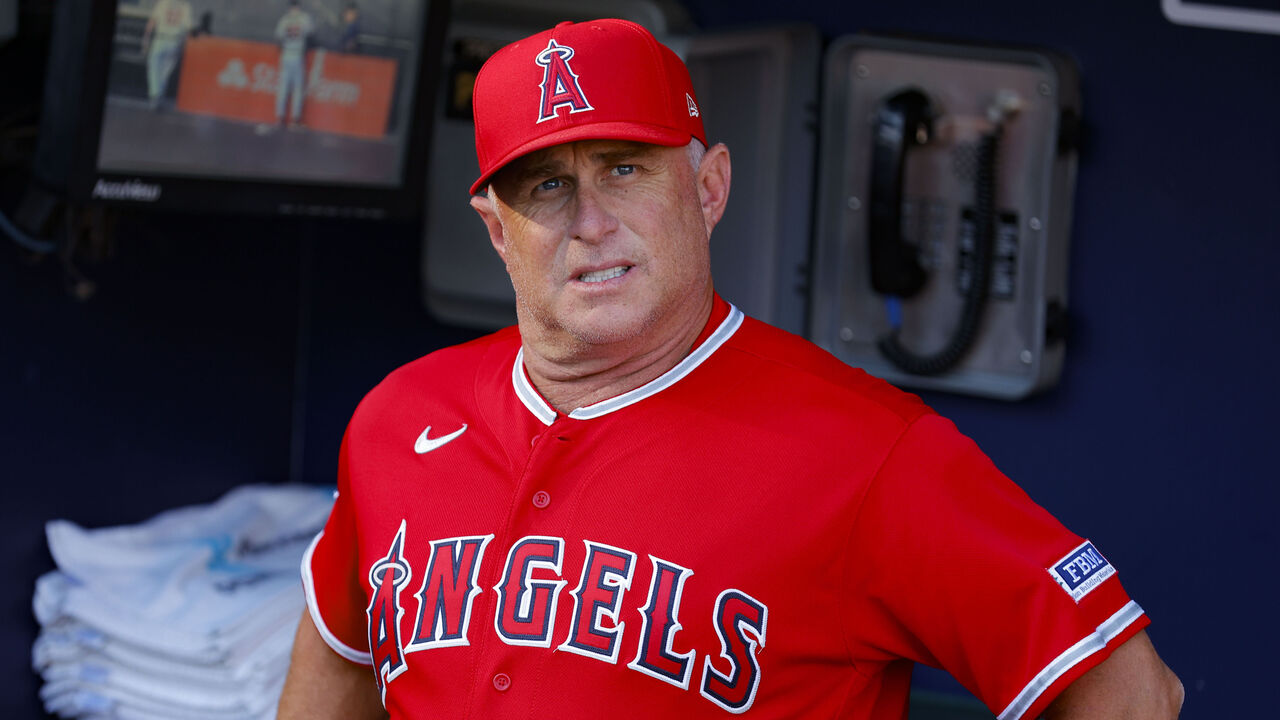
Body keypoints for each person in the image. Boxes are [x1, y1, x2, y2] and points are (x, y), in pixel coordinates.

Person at [277, 18, 1183, 720]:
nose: (591, 221)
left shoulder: (869, 454)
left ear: (708, 189)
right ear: (494, 228)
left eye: (625, 168)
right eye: (547, 185)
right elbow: (337, 661)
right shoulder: (401, 416)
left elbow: (1128, 692)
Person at [140, 0, 194, 110]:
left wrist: (145, 38)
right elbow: (188, 29)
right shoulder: (185, 6)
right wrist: (185, 45)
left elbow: (152, 22)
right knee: (165, 71)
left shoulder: (163, 3)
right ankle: (159, 96)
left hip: (160, 38)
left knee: (154, 67)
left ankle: (155, 94)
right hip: (175, 41)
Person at [274, 0, 314, 128]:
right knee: (297, 88)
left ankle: (280, 117)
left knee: (283, 87)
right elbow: (311, 31)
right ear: (298, 7)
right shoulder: (304, 18)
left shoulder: (284, 19)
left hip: (286, 54)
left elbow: (278, 35)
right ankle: (295, 119)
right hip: (297, 54)